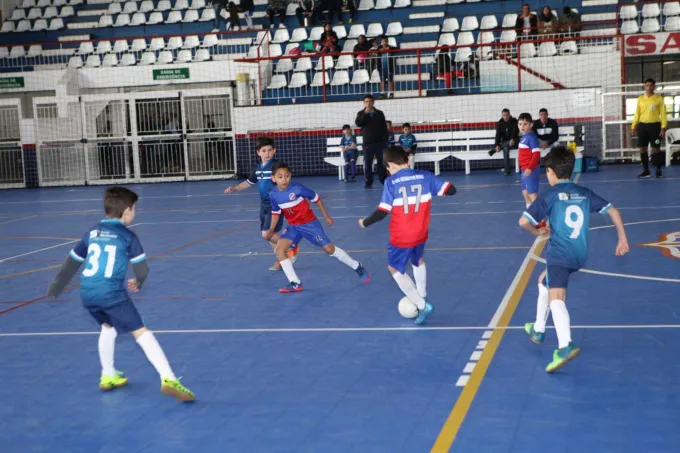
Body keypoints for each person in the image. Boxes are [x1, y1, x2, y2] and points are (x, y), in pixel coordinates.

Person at [46, 187, 195, 402]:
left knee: (108, 326)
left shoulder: (92, 232)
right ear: (127, 210)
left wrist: (57, 286)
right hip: (111, 293)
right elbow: (142, 269)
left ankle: (108, 375)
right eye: (135, 209)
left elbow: (72, 262)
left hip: (88, 293)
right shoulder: (127, 236)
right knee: (141, 332)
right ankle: (168, 378)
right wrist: (138, 281)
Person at [520, 146, 629, 372]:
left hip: (559, 253)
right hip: (580, 255)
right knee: (543, 281)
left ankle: (565, 345)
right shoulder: (584, 192)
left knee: (556, 297)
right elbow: (613, 211)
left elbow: (523, 221)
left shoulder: (548, 195)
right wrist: (622, 239)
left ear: (550, 172)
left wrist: (536, 232)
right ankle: (538, 329)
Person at [359, 146, 457, 325]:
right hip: (421, 233)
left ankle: (422, 305)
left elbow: (382, 212)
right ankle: (423, 295)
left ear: (390, 166)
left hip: (401, 236)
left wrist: (365, 222)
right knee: (417, 260)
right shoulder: (426, 176)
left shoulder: (391, 183)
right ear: (408, 160)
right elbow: (451, 190)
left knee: (394, 268)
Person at [265, 162, 370, 293]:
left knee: (329, 249)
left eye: (287, 176)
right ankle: (295, 282)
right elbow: (276, 212)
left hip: (310, 224)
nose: (284, 179)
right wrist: (271, 229)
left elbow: (317, 199)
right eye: (280, 177)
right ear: (273, 178)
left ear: (290, 175)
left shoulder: (298, 189)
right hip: (293, 227)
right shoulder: (273, 195)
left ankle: (357, 266)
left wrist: (326, 216)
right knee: (280, 249)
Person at [224, 137, 300, 271]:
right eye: (264, 151)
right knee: (272, 235)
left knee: (267, 234)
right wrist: (235, 188)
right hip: (264, 205)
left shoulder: (277, 167)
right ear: (258, 153)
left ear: (274, 150)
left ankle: (291, 245)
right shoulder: (258, 169)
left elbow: (286, 181)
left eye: (270, 150)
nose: (267, 153)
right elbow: (248, 183)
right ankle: (282, 259)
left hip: (275, 204)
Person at [631, 78, 667, 178]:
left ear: (654, 86)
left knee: (656, 148)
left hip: (655, 126)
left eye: (651, 85)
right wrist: (633, 126)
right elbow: (637, 114)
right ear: (644, 86)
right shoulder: (640, 99)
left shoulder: (659, 99)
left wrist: (663, 127)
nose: (649, 87)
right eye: (647, 85)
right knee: (642, 148)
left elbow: (663, 114)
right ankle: (646, 170)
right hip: (642, 126)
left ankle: (658, 169)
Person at [355, 94, 388, 189]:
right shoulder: (361, 113)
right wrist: (365, 113)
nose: (368, 103)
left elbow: (384, 128)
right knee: (368, 164)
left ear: (373, 102)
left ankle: (384, 181)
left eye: (370, 101)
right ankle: (368, 183)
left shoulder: (380, 113)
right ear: (364, 103)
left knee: (382, 163)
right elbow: (358, 123)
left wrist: (385, 140)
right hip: (368, 143)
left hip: (380, 143)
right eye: (366, 101)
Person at [517, 112, 542, 209]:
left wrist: (530, 168)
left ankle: (539, 218)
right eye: (520, 124)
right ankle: (530, 213)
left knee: (533, 195)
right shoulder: (524, 137)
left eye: (525, 124)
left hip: (530, 170)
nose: (522, 126)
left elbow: (536, 154)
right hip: (524, 169)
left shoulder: (531, 138)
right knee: (525, 192)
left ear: (531, 124)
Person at [490, 108, 519, 176]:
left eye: (507, 115)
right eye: (504, 115)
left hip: (515, 141)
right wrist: (496, 145)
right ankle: (507, 171)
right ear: (502, 116)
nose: (506, 116)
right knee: (505, 149)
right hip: (506, 143)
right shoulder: (500, 123)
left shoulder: (514, 121)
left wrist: (512, 139)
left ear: (509, 115)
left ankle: (494, 150)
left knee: (506, 145)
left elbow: (516, 131)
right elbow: (498, 135)